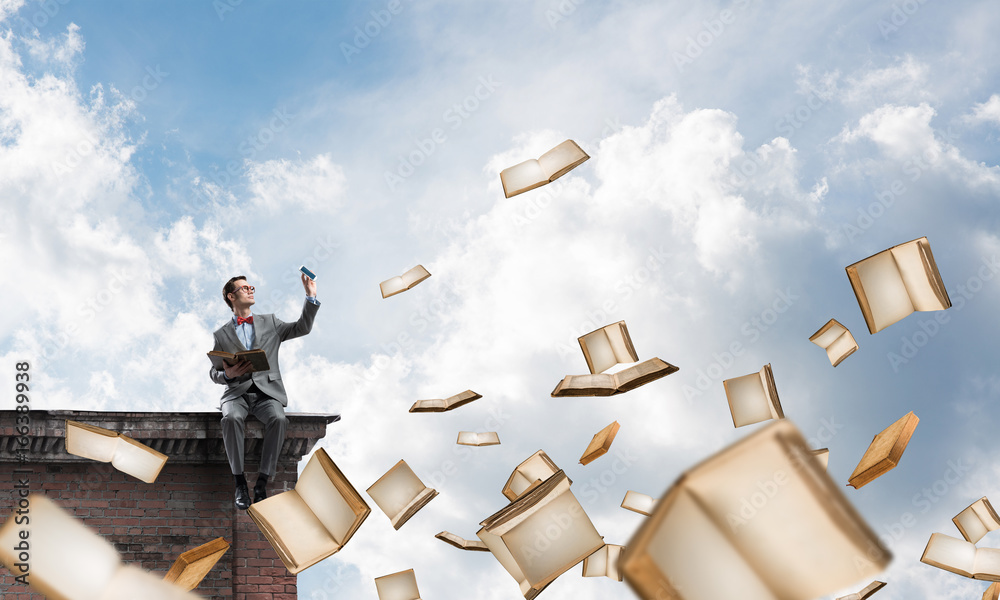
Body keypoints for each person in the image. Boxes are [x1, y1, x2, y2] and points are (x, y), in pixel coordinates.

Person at [210, 273, 319, 509]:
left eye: (252, 287)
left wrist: (310, 298)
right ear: (231, 296)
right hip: (236, 394)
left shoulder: (270, 322)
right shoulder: (221, 335)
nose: (251, 290)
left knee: (279, 419)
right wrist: (229, 375)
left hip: (266, 393)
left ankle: (262, 481)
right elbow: (214, 373)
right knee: (230, 418)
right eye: (245, 288)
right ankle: (239, 483)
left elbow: (302, 328)